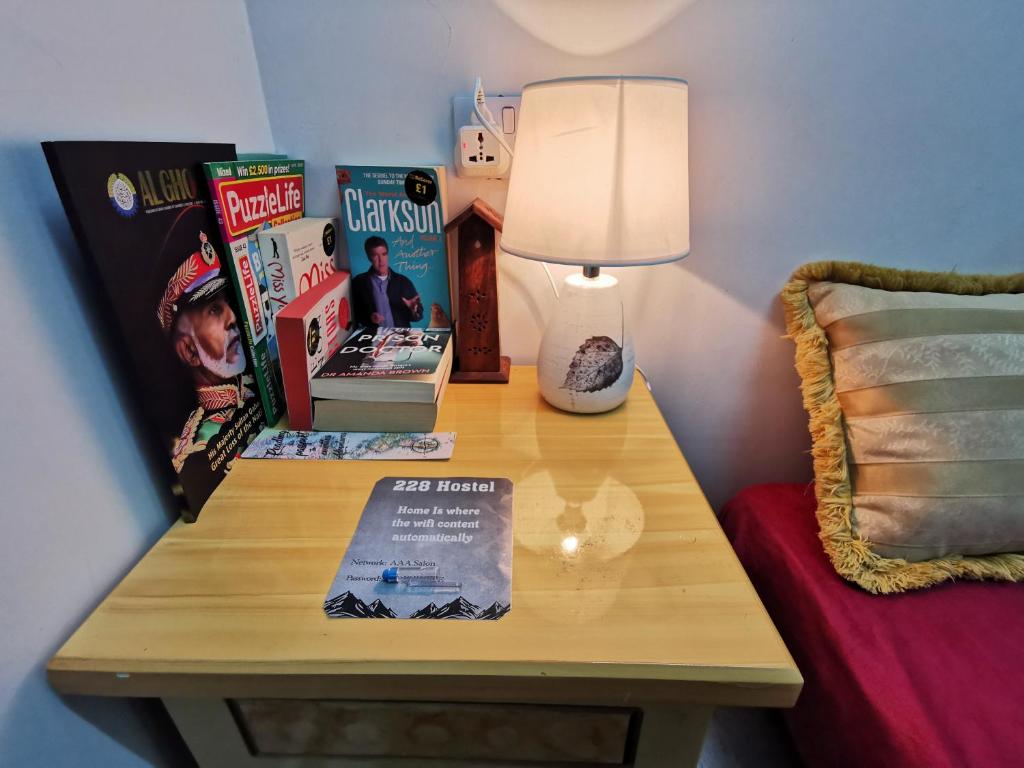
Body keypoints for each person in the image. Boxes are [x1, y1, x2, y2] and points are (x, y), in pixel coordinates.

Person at [156, 211, 255, 473]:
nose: (233, 317)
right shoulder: (199, 447)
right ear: (189, 351)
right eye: (213, 310)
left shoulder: (251, 391)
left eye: (226, 303)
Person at [351, 235, 423, 328]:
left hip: (401, 340)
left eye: (384, 254)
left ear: (387, 255)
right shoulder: (359, 282)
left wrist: (414, 310)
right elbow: (354, 314)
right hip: (374, 340)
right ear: (369, 257)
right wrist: (370, 318)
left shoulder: (403, 282)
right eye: (375, 255)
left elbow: (418, 316)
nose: (381, 260)